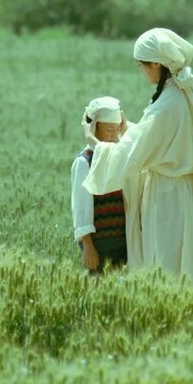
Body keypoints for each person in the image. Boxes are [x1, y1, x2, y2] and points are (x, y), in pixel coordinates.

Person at [82, 28, 193, 287]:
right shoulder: (184, 93)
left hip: (166, 195)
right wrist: (131, 130)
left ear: (156, 64)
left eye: (142, 65)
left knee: (165, 263)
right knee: (184, 264)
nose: (141, 71)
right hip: (185, 192)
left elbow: (131, 154)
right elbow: (161, 140)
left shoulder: (166, 105)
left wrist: (94, 142)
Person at [70, 97, 128, 274]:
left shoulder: (118, 158)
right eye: (109, 130)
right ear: (94, 128)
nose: (113, 135)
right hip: (99, 242)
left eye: (116, 130)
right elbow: (81, 206)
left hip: (122, 240)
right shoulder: (84, 162)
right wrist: (87, 245)